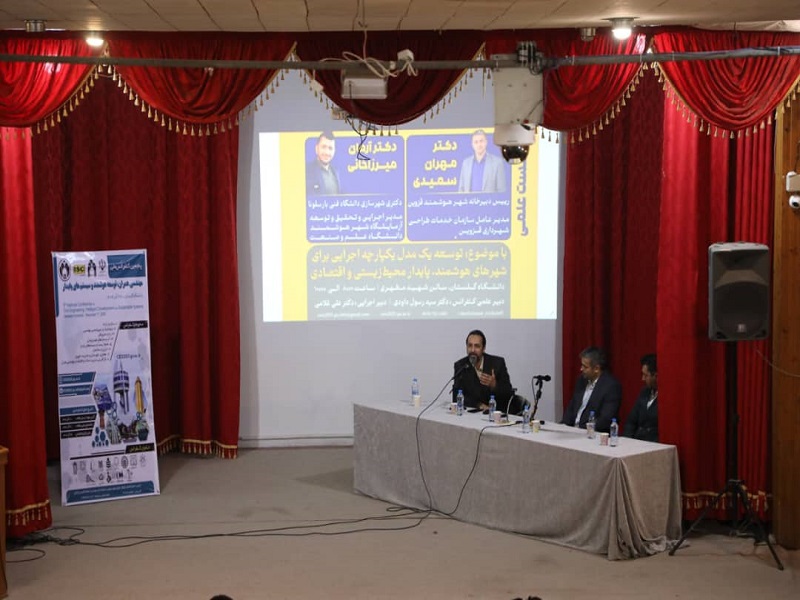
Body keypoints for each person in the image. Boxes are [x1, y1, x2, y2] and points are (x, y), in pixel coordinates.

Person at [453, 329, 519, 413]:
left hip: (497, 414)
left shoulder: (497, 364)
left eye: (477, 346)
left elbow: (508, 394)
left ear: (483, 348)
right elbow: (457, 397)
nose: (472, 350)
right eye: (470, 346)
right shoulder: (461, 366)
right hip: (473, 414)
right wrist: (478, 405)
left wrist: (494, 385)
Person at [561, 346, 621, 433]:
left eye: (585, 367)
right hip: (572, 431)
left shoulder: (611, 387)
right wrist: (563, 427)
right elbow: (571, 408)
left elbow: (605, 419)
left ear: (596, 369)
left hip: (592, 434)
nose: (581, 369)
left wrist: (582, 430)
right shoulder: (581, 381)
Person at [624, 353, 659, 442]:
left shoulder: (666, 397)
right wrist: (627, 441)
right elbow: (631, 421)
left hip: (653, 444)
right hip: (637, 441)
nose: (643, 379)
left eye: (646, 375)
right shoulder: (644, 392)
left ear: (655, 376)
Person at [306, 131, 341, 195]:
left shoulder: (335, 172)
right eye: (323, 147)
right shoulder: (307, 171)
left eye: (330, 148)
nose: (327, 152)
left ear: (334, 151)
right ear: (316, 148)